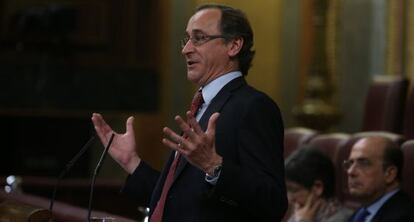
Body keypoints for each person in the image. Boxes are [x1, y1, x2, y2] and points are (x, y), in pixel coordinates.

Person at [91, 4, 287, 222]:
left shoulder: (253, 107)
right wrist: (131, 162)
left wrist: (214, 167)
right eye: (187, 40)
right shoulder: (201, 106)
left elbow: (273, 203)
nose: (186, 49)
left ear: (233, 45)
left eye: (199, 38)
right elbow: (177, 200)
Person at [344, 136, 414, 222]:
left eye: (363, 163)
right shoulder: (363, 210)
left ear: (389, 174)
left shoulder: (402, 218)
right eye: (350, 163)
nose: (350, 172)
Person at [285, 145, 352, 222]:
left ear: (317, 187)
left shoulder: (345, 218)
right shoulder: (300, 213)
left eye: (294, 190)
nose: (290, 199)